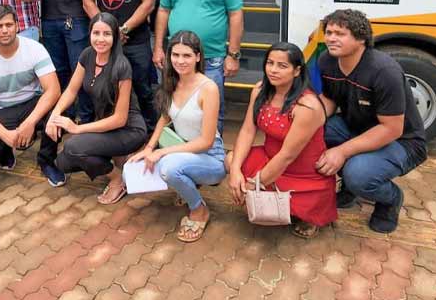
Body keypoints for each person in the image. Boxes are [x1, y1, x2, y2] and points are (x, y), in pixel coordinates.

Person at [316, 9, 427, 234]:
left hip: (401, 141)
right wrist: (305, 122)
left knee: (358, 174)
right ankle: (349, 189)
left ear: (361, 39)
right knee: (313, 134)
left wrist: (342, 152)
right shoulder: (327, 61)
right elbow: (328, 100)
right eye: (328, 32)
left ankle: (390, 200)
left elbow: (391, 129)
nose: (331, 38)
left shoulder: (383, 71)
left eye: (340, 33)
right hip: (355, 127)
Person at [228, 42, 337, 239]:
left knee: (255, 190)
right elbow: (246, 130)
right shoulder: (260, 89)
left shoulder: (307, 106)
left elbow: (287, 156)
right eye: (270, 63)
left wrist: (254, 185)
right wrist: (235, 171)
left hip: (301, 172)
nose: (274, 70)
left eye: (282, 66)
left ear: (297, 71)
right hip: (270, 158)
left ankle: (305, 214)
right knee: (230, 160)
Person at [129, 31, 225, 243]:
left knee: (168, 167)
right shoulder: (173, 81)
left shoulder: (208, 88)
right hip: (184, 150)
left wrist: (161, 151)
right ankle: (188, 182)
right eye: (176, 55)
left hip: (211, 157)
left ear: (198, 57)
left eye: (187, 56)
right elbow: (164, 117)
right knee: (158, 163)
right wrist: (149, 147)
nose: (180, 61)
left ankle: (199, 210)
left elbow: (206, 141)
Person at [46, 13, 146, 203]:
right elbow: (71, 90)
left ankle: (117, 180)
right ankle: (117, 160)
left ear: (115, 37)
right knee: (64, 162)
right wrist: (55, 114)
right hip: (105, 126)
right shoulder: (87, 55)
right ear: (89, 33)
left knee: (74, 147)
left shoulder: (122, 66)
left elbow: (120, 119)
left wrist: (77, 129)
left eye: (107, 34)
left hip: (129, 130)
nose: (101, 39)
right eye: (96, 33)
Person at [153, 0, 243, 129]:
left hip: (212, 59)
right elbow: (163, 11)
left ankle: (212, 156)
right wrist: (159, 47)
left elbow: (235, 14)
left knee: (212, 110)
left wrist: (233, 54)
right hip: (175, 58)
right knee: (171, 107)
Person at [0, 6, 63, 185]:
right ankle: (5, 148)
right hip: (1, 110)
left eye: (9, 24)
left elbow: (53, 90)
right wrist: (5, 135)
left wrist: (30, 123)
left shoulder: (35, 49)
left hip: (30, 104)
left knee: (58, 114)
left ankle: (47, 161)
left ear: (17, 26)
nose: (5, 30)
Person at [82, 0, 159, 132]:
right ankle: (106, 131)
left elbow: (148, 4)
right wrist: (106, 31)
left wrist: (122, 30)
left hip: (136, 41)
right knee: (103, 89)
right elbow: (88, 1)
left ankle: (150, 133)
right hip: (103, 43)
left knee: (143, 88)